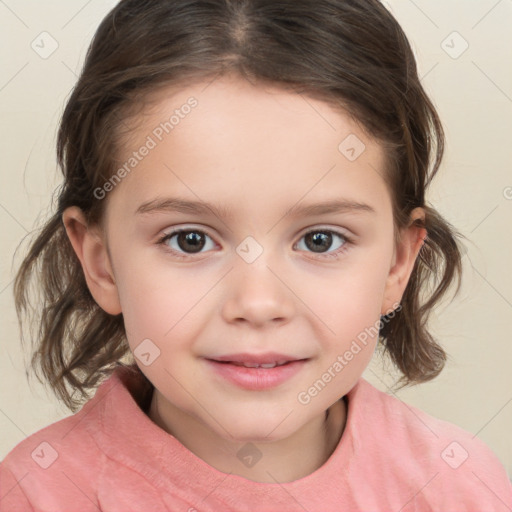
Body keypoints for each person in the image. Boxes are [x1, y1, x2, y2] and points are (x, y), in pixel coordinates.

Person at [1, 0, 511, 510]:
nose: (258, 302)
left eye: (320, 240)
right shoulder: (34, 495)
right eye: (190, 240)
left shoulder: (457, 486)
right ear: (101, 262)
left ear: (397, 264)